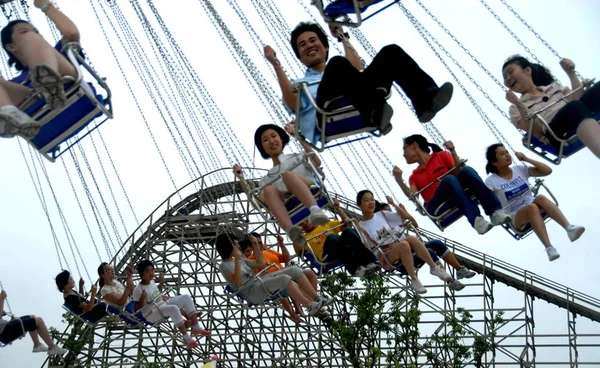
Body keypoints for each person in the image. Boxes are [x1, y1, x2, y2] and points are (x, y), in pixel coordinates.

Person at [264, 22, 453, 144]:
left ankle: (425, 101)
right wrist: (276, 64)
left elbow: (357, 69)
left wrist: (342, 37)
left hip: (361, 93)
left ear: (325, 46)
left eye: (313, 40)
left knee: (390, 52)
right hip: (328, 113)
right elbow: (291, 103)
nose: (309, 45)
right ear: (299, 56)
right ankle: (374, 112)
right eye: (302, 44)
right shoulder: (301, 83)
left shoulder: (342, 67)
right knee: (338, 63)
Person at [484, 144, 585, 261]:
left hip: (532, 203)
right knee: (532, 208)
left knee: (540, 198)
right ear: (494, 162)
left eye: (507, 152)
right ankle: (549, 248)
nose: (507, 155)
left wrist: (526, 159)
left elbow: (547, 170)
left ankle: (569, 228)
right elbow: (486, 199)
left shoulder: (519, 169)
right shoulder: (491, 181)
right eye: (502, 154)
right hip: (514, 215)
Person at [394, 134, 511, 234]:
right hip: (436, 204)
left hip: (456, 190)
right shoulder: (414, 176)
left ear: (414, 145)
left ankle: (495, 212)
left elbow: (458, 172)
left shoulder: (441, 156)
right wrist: (399, 180)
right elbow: (413, 197)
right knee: (449, 179)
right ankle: (475, 219)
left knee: (467, 170)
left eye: (405, 148)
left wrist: (452, 151)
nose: (403, 154)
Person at [233, 123, 329, 245]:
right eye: (266, 140)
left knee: (287, 175)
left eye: (274, 136)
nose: (271, 141)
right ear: (263, 147)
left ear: (281, 138)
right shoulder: (267, 179)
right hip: (288, 202)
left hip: (310, 189)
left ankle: (315, 210)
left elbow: (317, 162)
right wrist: (241, 179)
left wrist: (297, 135)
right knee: (267, 189)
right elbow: (258, 203)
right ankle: (290, 229)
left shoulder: (297, 157)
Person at [0, 0, 81, 140]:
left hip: (70, 85)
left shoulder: (57, 52)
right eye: (24, 31)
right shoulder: (15, 83)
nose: (33, 34)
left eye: (36, 31)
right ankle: (10, 114)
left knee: (35, 41)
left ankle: (48, 77)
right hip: (36, 107)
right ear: (11, 47)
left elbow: (71, 33)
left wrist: (45, 5)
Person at [503, 55, 600, 159]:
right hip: (554, 132)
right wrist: (519, 105)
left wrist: (570, 73)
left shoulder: (554, 87)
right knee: (574, 108)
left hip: (575, 112)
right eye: (504, 77)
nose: (507, 78)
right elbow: (536, 133)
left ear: (527, 70)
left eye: (510, 72)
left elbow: (579, 99)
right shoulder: (515, 108)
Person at [356, 190, 452, 294]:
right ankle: (414, 279)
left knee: (411, 238)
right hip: (385, 254)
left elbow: (405, 217)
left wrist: (393, 203)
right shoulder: (361, 226)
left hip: (397, 245)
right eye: (366, 200)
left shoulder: (382, 214)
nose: (371, 202)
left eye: (372, 199)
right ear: (359, 205)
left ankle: (434, 268)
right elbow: (365, 245)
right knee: (404, 244)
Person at [216, 233, 333, 316]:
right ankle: (309, 306)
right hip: (252, 291)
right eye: (235, 245)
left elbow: (259, 262)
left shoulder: (241, 259)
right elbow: (238, 281)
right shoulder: (224, 266)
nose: (238, 247)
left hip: (259, 282)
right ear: (228, 246)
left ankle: (317, 298)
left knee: (294, 270)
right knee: (284, 279)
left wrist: (256, 245)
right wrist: (236, 259)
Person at [240, 235, 320, 323]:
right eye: (256, 243)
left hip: (284, 275)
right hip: (272, 284)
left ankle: (314, 300)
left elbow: (287, 259)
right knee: (287, 281)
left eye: (260, 242)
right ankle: (308, 306)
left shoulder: (269, 251)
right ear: (252, 247)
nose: (260, 245)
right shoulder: (251, 261)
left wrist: (281, 244)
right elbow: (255, 278)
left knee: (309, 273)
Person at [133, 260, 209, 348]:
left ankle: (196, 326)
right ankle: (186, 338)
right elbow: (137, 309)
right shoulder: (138, 290)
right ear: (141, 274)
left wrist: (161, 283)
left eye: (152, 270)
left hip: (161, 304)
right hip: (151, 314)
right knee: (173, 308)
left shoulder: (152, 281)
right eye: (147, 271)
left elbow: (155, 293)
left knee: (186, 297)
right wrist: (142, 298)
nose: (151, 273)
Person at [296, 197, 378, 277]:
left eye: (306, 221)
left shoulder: (324, 224)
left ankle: (369, 262)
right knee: (332, 238)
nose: (305, 224)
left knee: (348, 231)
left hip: (340, 244)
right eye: (301, 224)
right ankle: (354, 268)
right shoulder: (304, 238)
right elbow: (298, 251)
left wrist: (338, 209)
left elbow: (345, 224)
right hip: (327, 253)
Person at [0, 289, 67, 355]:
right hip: (5, 332)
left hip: (6, 328)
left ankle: (37, 345)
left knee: (32, 317)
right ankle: (52, 347)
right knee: (39, 321)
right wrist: (2, 298)